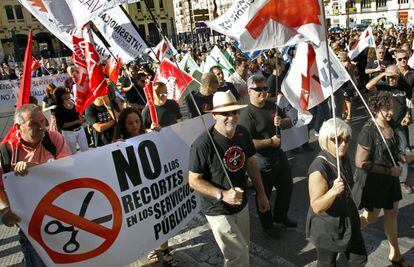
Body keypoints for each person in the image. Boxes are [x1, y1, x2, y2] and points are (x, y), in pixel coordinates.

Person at [189, 90, 270, 267]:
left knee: (243, 249)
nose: (231, 117)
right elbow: (193, 180)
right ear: (214, 114)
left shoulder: (242, 133)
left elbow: (250, 162)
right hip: (217, 209)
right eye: (225, 113)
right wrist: (222, 194)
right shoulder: (202, 144)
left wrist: (262, 193)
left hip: (241, 204)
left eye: (235, 112)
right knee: (237, 255)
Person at [0, 104, 71, 267]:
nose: (42, 127)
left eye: (43, 121)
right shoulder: (6, 152)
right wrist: (5, 211)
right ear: (19, 127)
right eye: (34, 123)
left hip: (63, 213)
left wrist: (36, 170)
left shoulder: (53, 139)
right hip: (30, 225)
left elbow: (69, 169)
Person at [356, 92, 412, 267]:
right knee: (370, 218)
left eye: (391, 109)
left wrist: (403, 157)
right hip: (375, 181)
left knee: (392, 213)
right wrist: (389, 171)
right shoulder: (368, 131)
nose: (390, 113)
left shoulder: (391, 125)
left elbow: (394, 150)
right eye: (386, 109)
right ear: (376, 108)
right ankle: (344, 232)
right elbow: (360, 163)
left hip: (391, 178)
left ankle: (395, 255)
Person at [239, 75, 297, 236]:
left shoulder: (272, 106)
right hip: (260, 160)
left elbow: (288, 122)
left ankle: (280, 217)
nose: (263, 92)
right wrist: (270, 142)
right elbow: (247, 143)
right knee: (263, 194)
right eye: (258, 89)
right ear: (249, 91)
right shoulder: (246, 114)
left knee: (286, 188)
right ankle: (268, 226)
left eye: (265, 88)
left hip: (279, 155)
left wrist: (282, 122)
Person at [307, 118, 367, 266]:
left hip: (348, 219)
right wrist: (333, 191)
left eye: (347, 139)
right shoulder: (319, 167)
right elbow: (316, 206)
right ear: (325, 139)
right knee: (327, 263)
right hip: (327, 227)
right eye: (337, 139)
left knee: (359, 259)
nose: (343, 144)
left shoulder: (342, 156)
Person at [366, 65, 413, 194]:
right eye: (389, 77)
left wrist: (409, 115)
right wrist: (382, 74)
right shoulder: (382, 86)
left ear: (398, 76)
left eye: (394, 77)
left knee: (405, 152)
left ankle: (403, 182)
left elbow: (410, 101)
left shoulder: (404, 86)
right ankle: (384, 178)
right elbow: (368, 87)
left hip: (400, 127)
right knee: (382, 153)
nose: (391, 79)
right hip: (384, 126)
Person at [54, 87, 89, 154]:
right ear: (61, 96)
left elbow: (77, 114)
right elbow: (62, 125)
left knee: (86, 151)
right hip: (69, 133)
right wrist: (78, 121)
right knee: (72, 153)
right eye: (66, 93)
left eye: (68, 92)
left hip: (80, 130)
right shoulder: (58, 109)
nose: (68, 94)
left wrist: (82, 117)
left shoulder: (73, 101)